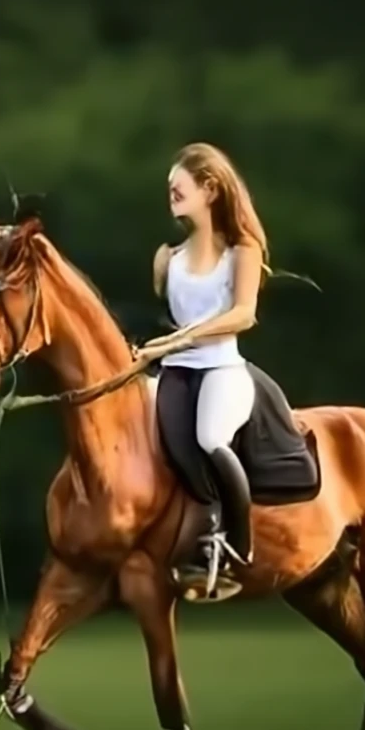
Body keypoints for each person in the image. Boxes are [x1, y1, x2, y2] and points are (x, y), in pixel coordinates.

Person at [141, 142, 268, 597]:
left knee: (210, 438)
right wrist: (154, 349)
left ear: (210, 189)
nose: (171, 196)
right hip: (176, 372)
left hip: (222, 369)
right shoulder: (166, 261)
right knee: (153, 447)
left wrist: (180, 339)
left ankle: (237, 544)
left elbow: (243, 315)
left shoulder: (243, 252)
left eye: (179, 188)